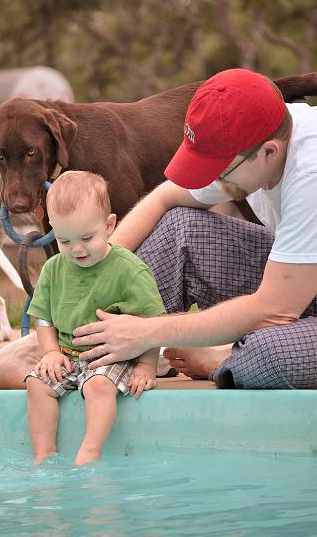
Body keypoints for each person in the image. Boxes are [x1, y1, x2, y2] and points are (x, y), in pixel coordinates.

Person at [69, 68, 317, 389]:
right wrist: (91, 277)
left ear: (269, 151)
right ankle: (87, 338)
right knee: (181, 226)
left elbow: (275, 310)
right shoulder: (260, 135)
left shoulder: (309, 173)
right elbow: (163, 198)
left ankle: (228, 361)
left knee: (269, 355)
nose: (210, 178)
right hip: (300, 282)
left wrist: (146, 331)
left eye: (219, 171)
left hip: (286, 301)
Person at [23, 171, 166, 465]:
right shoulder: (53, 269)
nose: (76, 249)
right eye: (64, 240)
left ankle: (89, 452)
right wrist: (49, 352)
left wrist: (147, 365)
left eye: (87, 238)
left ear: (109, 225)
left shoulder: (129, 271)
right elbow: (43, 319)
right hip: (66, 355)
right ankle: (44, 455)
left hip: (112, 358)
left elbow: (154, 322)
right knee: (36, 384)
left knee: (98, 386)